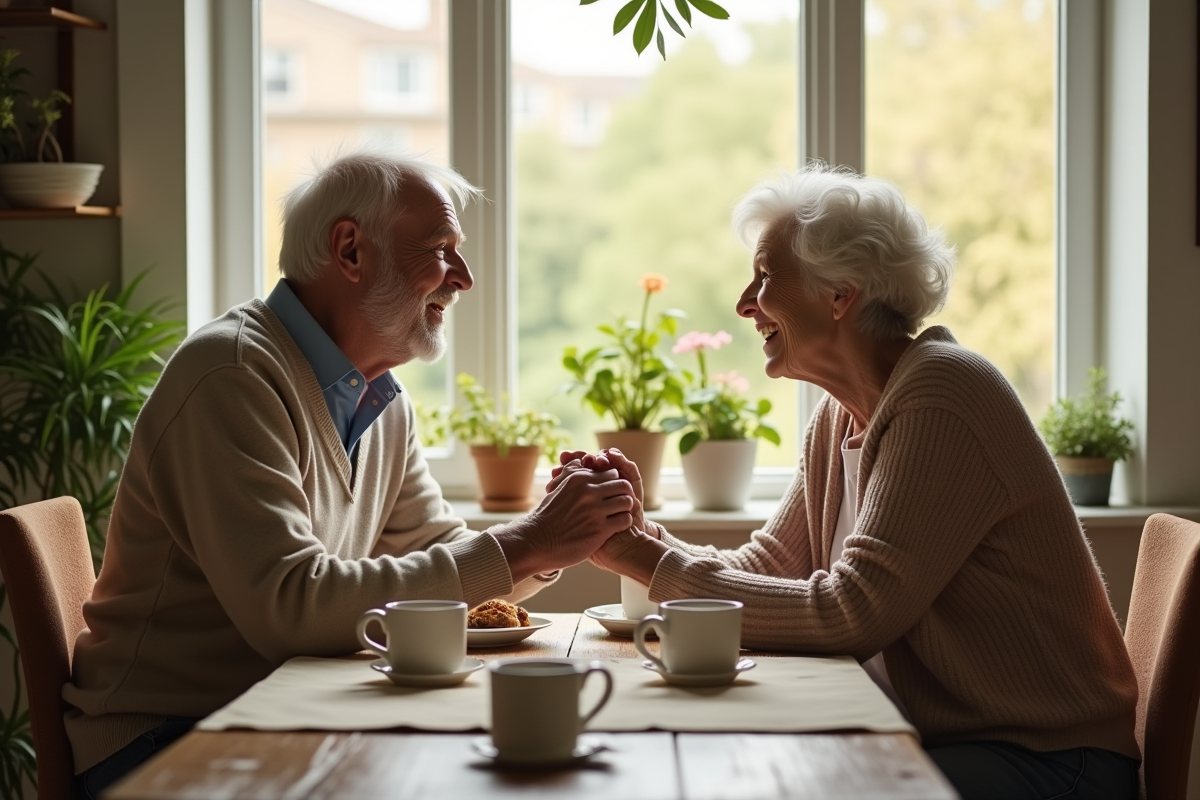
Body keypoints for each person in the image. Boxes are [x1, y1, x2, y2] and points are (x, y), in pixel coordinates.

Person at [555, 164, 1141, 800]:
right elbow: (770, 565)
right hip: (936, 739)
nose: (744, 302)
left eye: (765, 277)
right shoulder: (840, 415)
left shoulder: (944, 391)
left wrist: (645, 557)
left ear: (841, 294)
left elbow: (851, 614)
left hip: (1048, 761)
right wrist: (635, 531)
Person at [65, 153, 635, 798]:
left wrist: (553, 536)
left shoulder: (382, 401)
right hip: (168, 739)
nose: (465, 278)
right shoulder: (232, 375)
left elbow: (442, 557)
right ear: (350, 250)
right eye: (442, 250)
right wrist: (526, 542)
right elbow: (292, 608)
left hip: (278, 715)